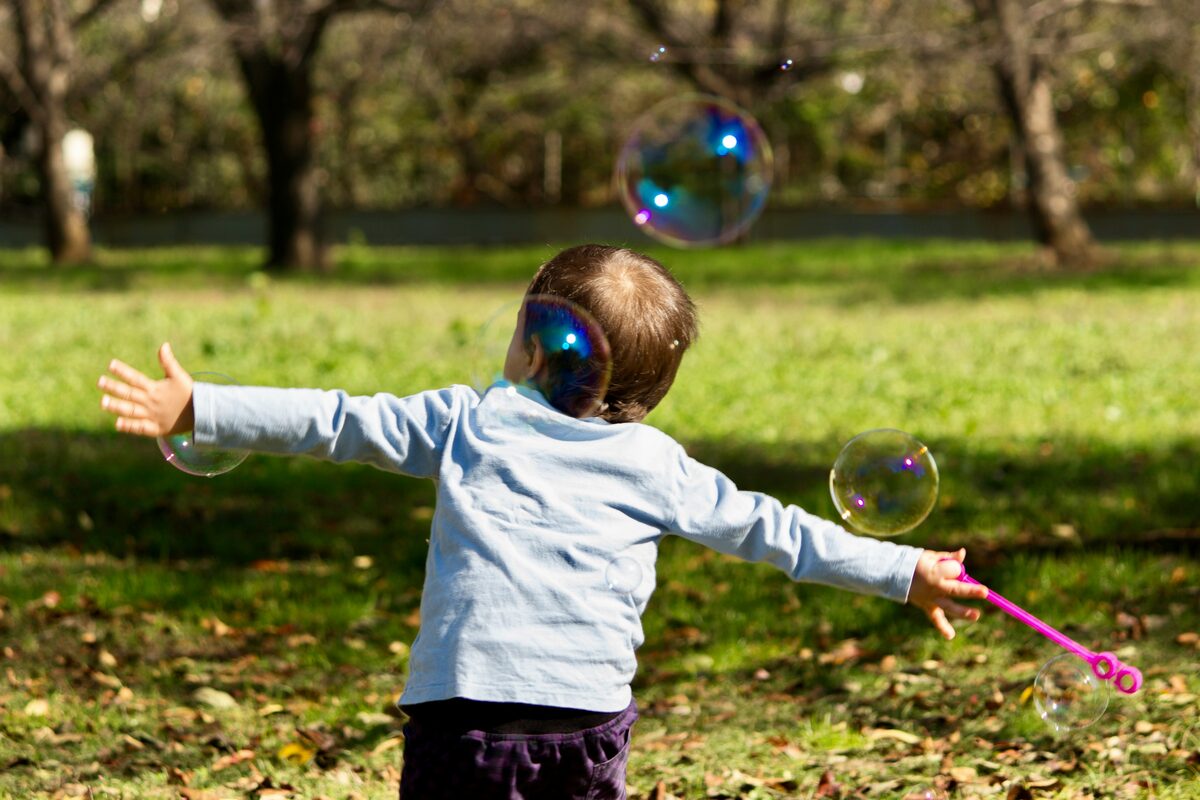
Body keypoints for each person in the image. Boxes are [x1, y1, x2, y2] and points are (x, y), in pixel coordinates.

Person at [97, 244, 988, 800]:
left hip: (467, 727)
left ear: (531, 346)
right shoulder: (655, 463)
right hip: (589, 729)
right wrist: (901, 572)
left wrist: (201, 406)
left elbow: (334, 419)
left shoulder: (463, 422)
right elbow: (774, 530)